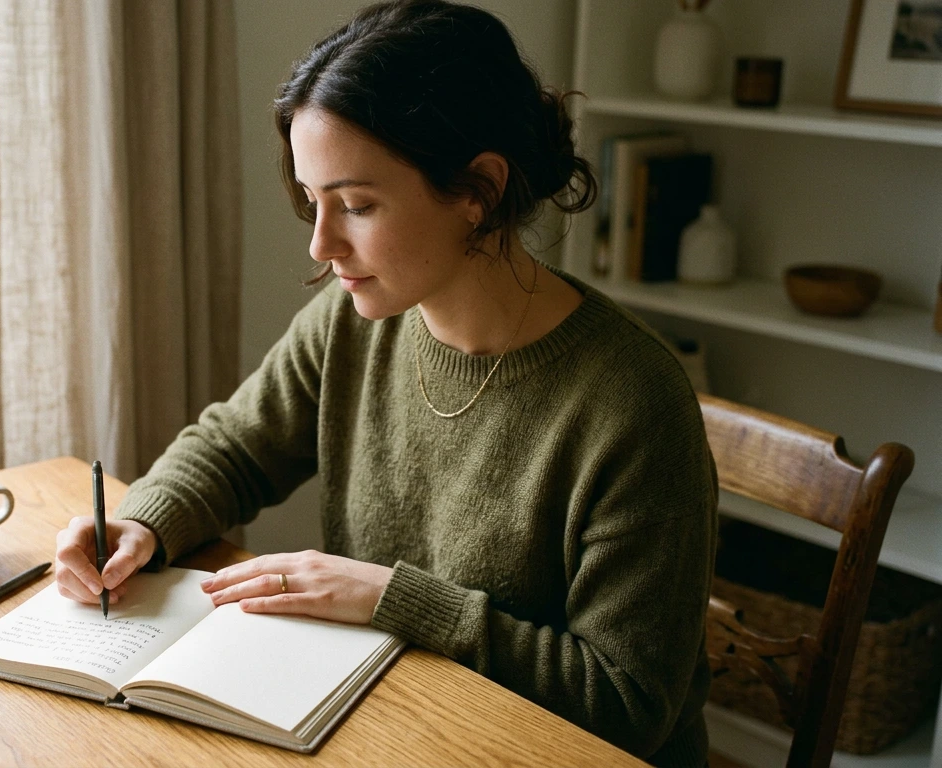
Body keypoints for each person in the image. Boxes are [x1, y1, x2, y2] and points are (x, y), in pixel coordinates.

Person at [53, 1, 717, 765]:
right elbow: (236, 446)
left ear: (480, 190)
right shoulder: (354, 321)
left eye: (357, 206)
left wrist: (390, 599)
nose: (322, 243)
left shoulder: (634, 405)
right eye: (313, 202)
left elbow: (626, 705)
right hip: (394, 727)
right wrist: (146, 522)